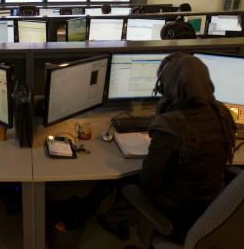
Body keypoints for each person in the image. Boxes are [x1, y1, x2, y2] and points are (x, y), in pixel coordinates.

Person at [99, 53, 236, 242]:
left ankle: (116, 222)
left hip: (177, 212)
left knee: (124, 182)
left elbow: (149, 181)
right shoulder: (222, 112)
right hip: (211, 206)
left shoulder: (169, 125)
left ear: (165, 86)